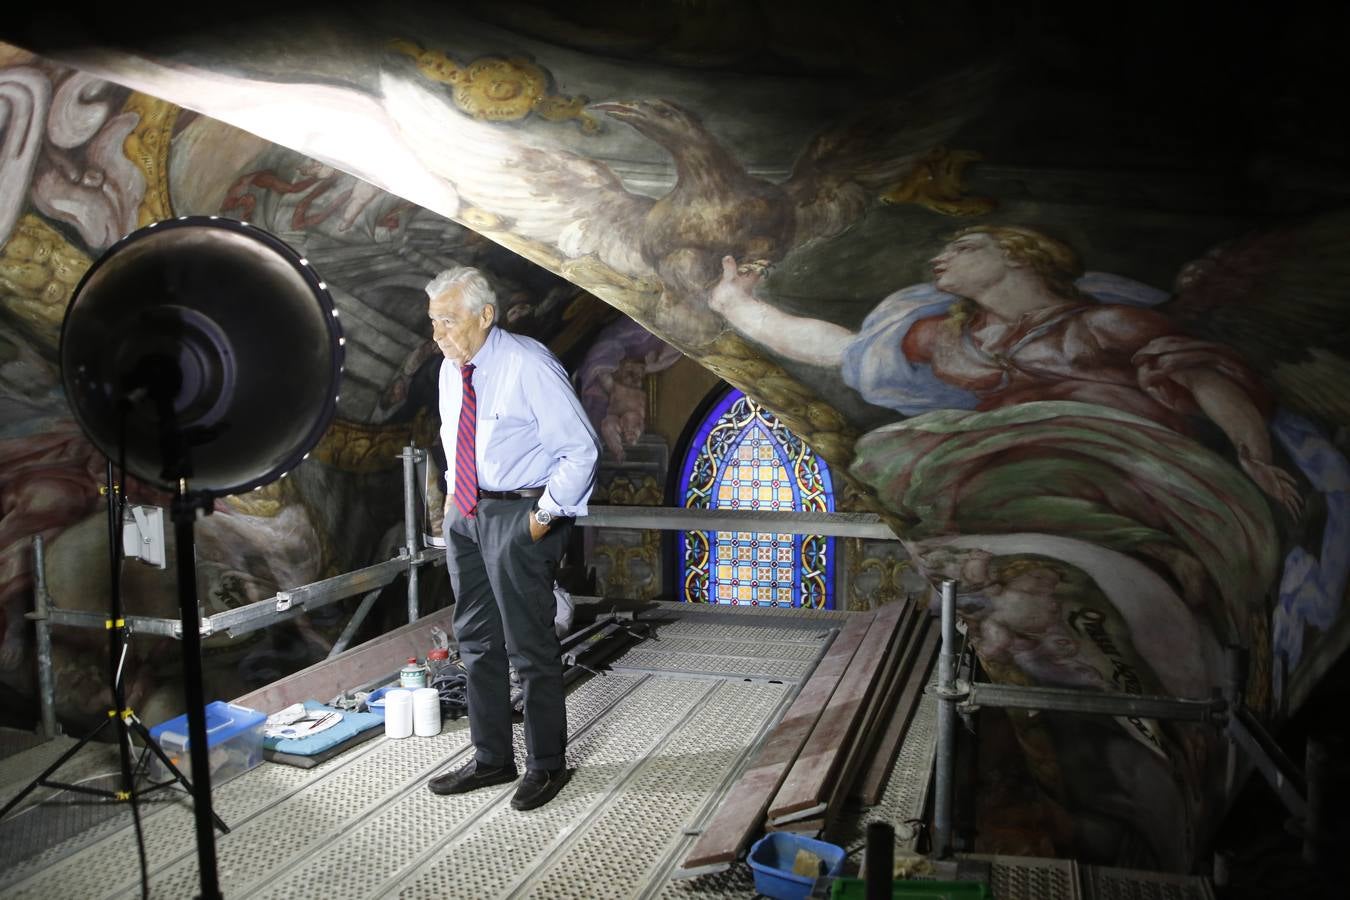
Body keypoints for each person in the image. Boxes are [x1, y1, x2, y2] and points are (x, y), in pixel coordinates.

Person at [423, 266, 600, 811]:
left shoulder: (528, 363)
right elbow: (457, 439)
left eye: (448, 322)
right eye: (432, 323)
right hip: (469, 513)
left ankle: (547, 765)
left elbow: (582, 450)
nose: (438, 335)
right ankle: (491, 759)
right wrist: (456, 499)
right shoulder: (452, 368)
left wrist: (542, 518)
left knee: (530, 646)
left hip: (521, 513)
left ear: (485, 315)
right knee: (475, 640)